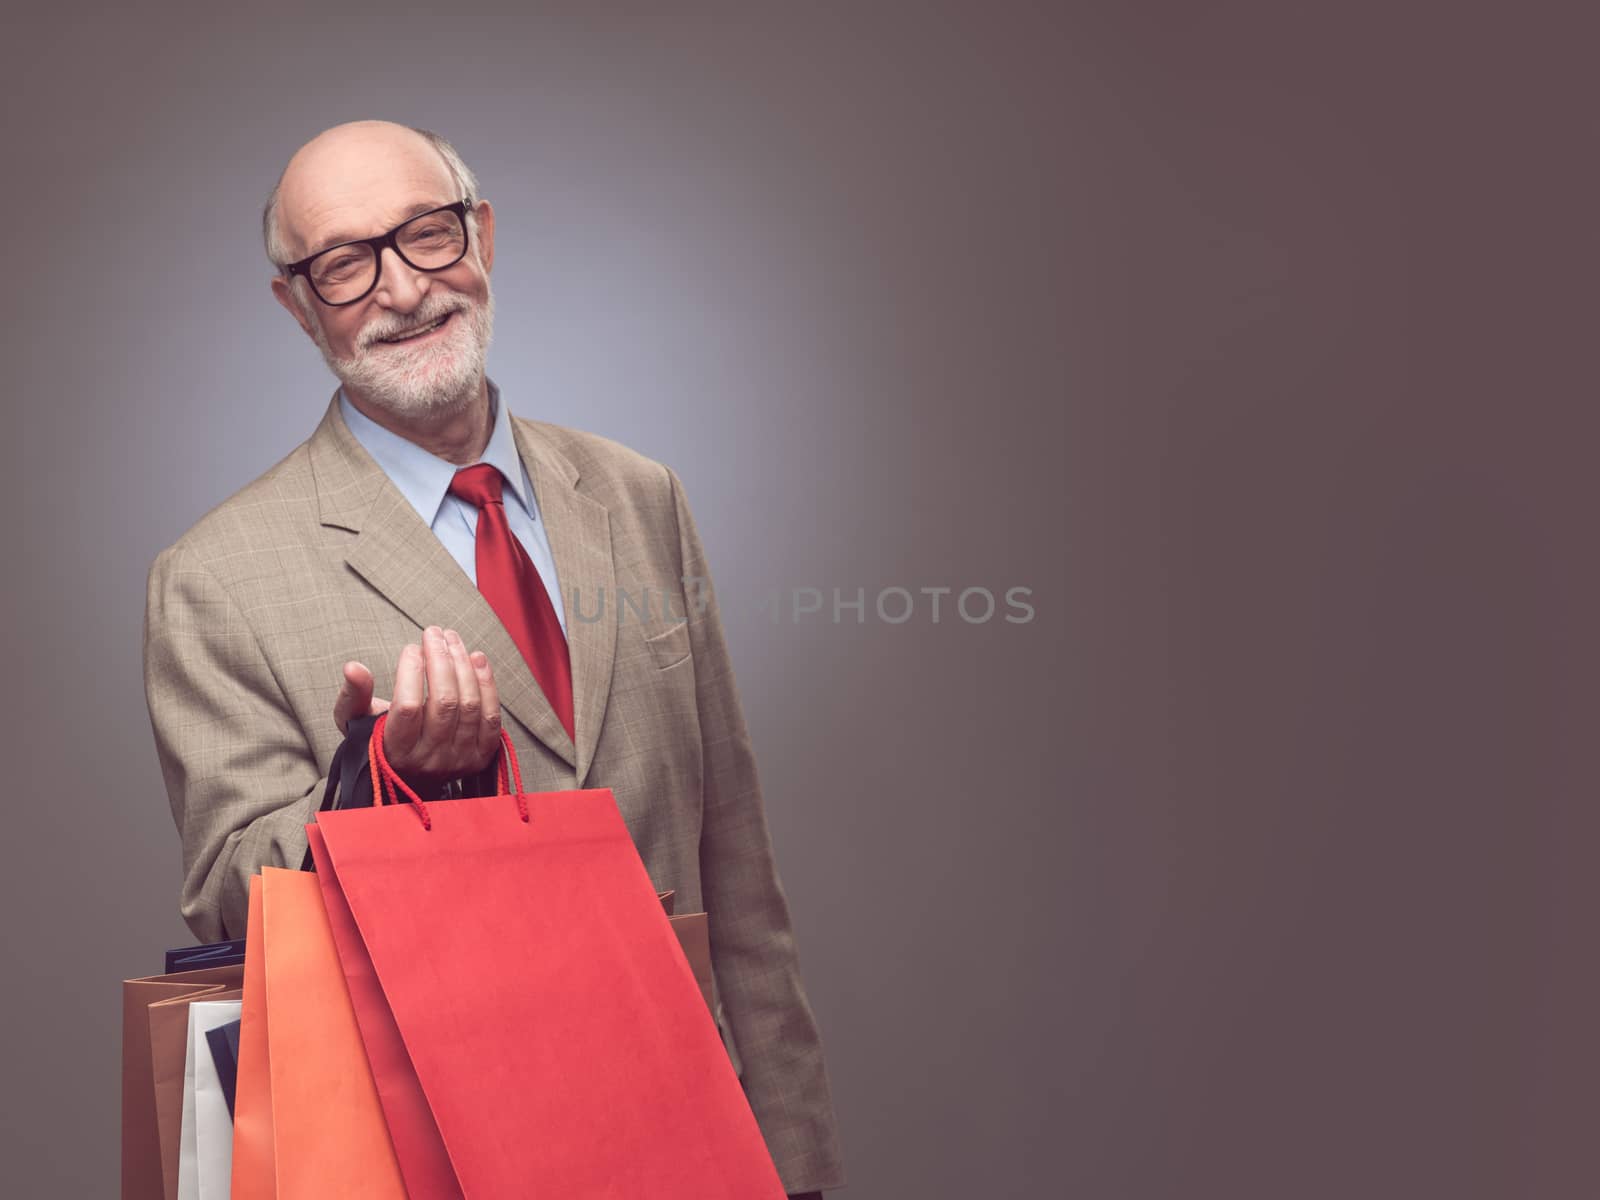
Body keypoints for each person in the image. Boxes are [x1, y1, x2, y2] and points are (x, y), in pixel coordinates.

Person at [142, 119, 843, 1196]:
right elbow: (233, 895)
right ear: (295, 303)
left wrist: (794, 1165)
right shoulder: (214, 576)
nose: (402, 290)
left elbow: (738, 871)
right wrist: (384, 782)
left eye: (425, 234)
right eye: (344, 263)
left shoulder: (638, 495)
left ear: (482, 235)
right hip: (440, 1146)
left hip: (692, 1128)